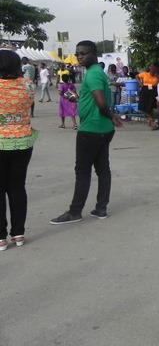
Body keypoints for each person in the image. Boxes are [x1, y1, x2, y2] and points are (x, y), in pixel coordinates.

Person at [50, 40, 123, 224]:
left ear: (94, 54)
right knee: (102, 168)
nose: (80, 57)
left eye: (84, 53)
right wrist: (79, 99)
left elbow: (101, 103)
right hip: (103, 129)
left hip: (92, 129)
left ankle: (75, 212)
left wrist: (112, 116)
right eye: (78, 54)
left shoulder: (92, 74)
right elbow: (94, 98)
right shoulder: (97, 72)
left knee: (82, 171)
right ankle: (101, 208)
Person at [0, 50, 39, 251]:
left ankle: (0, 237)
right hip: (22, 142)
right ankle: (18, 234)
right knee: (17, 188)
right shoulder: (28, 85)